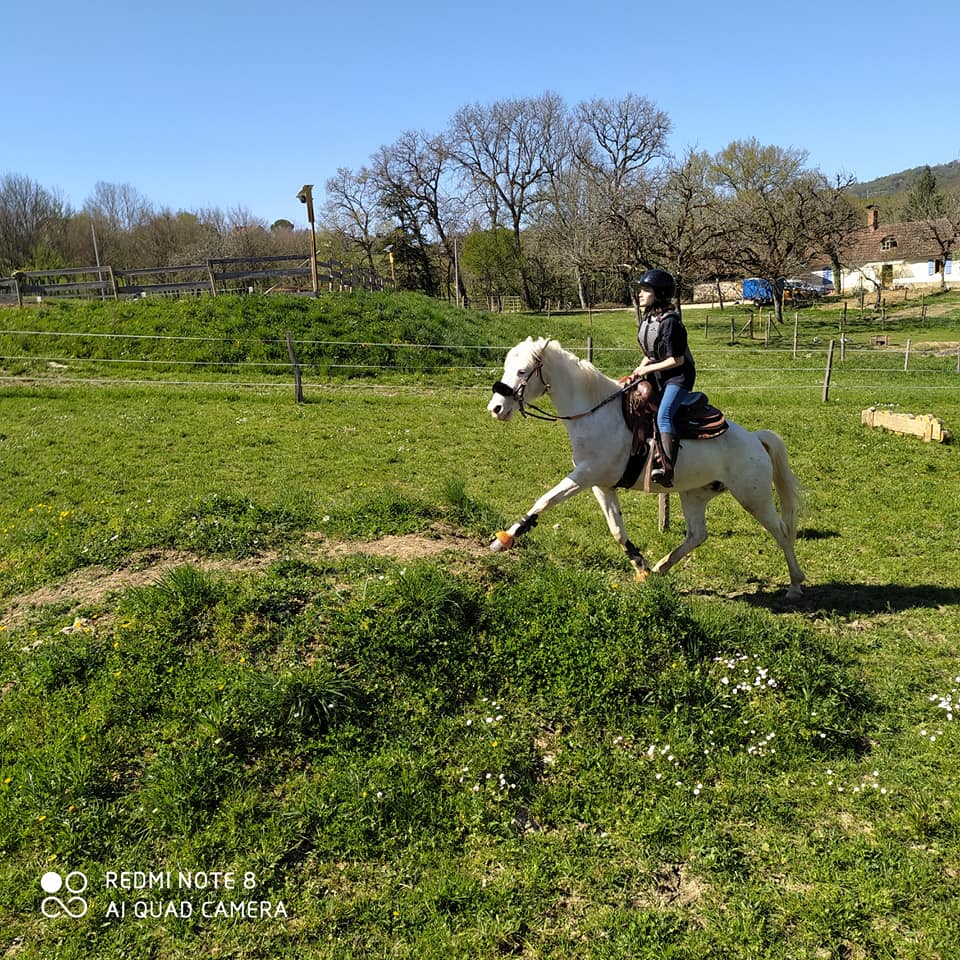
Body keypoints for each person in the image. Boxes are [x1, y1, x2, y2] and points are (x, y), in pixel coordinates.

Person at [626, 268, 695, 487]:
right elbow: (651, 354)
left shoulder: (671, 322)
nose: (640, 294)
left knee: (664, 414)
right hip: (658, 374)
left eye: (646, 290)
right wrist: (640, 368)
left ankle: (667, 469)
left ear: (659, 294)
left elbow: (677, 360)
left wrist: (647, 370)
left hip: (678, 377)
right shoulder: (651, 318)